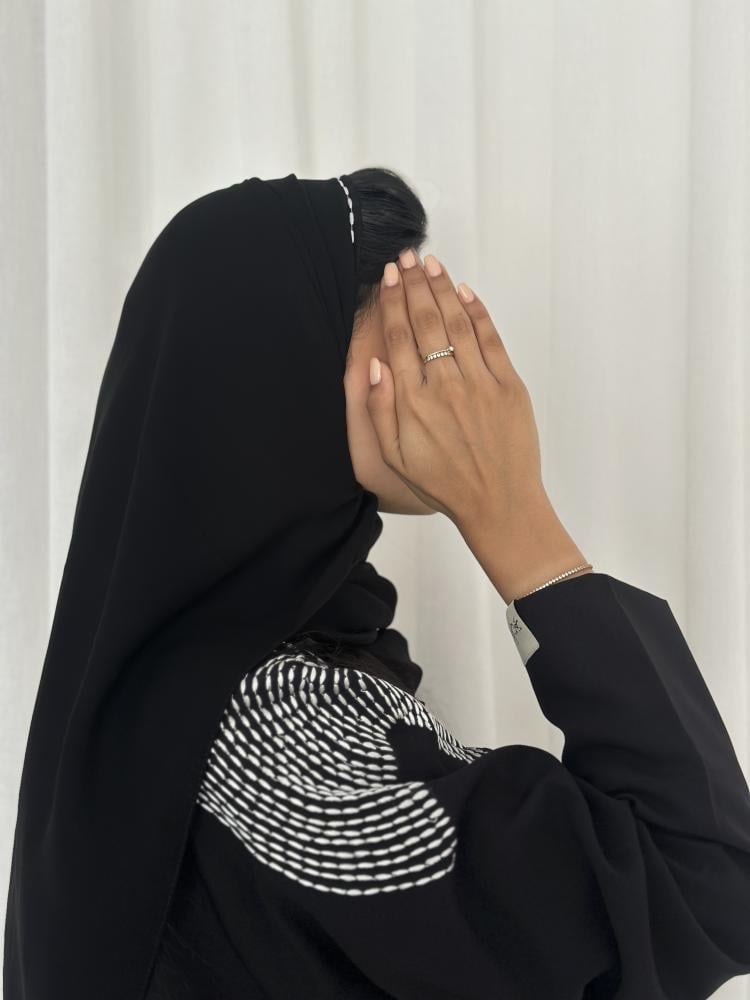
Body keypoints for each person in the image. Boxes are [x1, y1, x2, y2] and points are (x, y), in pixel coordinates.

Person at [5, 169, 750, 1000]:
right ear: (282, 378)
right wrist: (513, 514)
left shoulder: (146, 709)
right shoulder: (279, 735)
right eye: (404, 321)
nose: (447, 360)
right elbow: (705, 878)